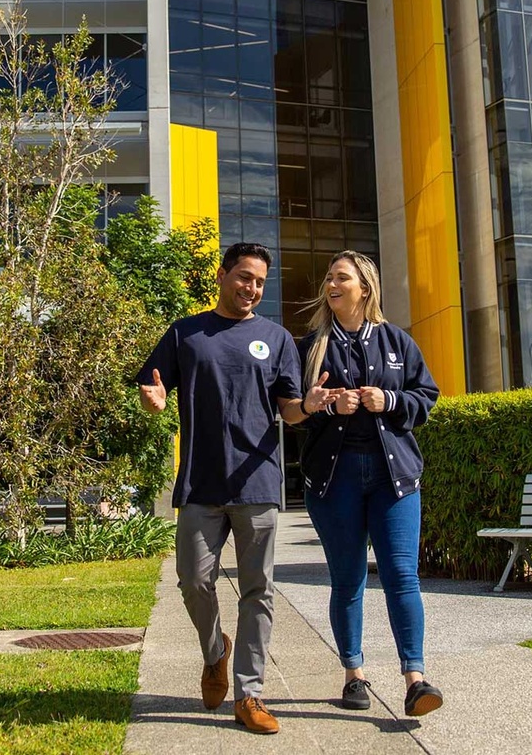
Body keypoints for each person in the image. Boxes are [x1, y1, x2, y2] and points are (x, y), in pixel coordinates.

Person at [137, 242, 339, 734]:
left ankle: (250, 694)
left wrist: (308, 405)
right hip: (201, 482)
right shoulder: (187, 333)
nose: (252, 288)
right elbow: (154, 389)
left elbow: (289, 409)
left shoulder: (276, 338)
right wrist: (157, 402)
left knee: (259, 591)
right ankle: (215, 651)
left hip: (258, 481)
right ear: (224, 275)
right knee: (192, 580)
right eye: (245, 277)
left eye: (260, 283)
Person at [296, 250, 444, 718]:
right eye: (328, 278)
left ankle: (415, 680)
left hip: (393, 478)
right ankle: (354, 675)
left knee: (402, 575)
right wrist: (322, 406)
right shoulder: (310, 346)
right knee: (348, 578)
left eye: (341, 277)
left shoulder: (397, 341)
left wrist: (391, 400)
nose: (331, 284)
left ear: (365, 287)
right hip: (334, 480)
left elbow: (427, 396)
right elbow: (291, 413)